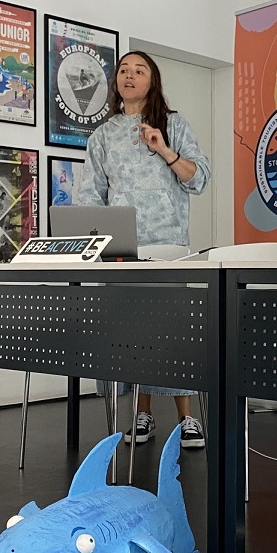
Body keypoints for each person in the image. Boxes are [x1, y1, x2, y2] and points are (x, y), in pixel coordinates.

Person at [74, 51, 211, 449]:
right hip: (121, 251)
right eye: (123, 70)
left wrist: (165, 149)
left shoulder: (174, 124)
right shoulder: (102, 135)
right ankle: (142, 414)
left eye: (139, 70)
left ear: (153, 81)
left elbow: (199, 179)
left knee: (172, 335)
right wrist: (93, 241)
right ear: (115, 81)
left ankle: (186, 418)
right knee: (133, 338)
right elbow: (90, 195)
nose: (130, 76)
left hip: (168, 247)